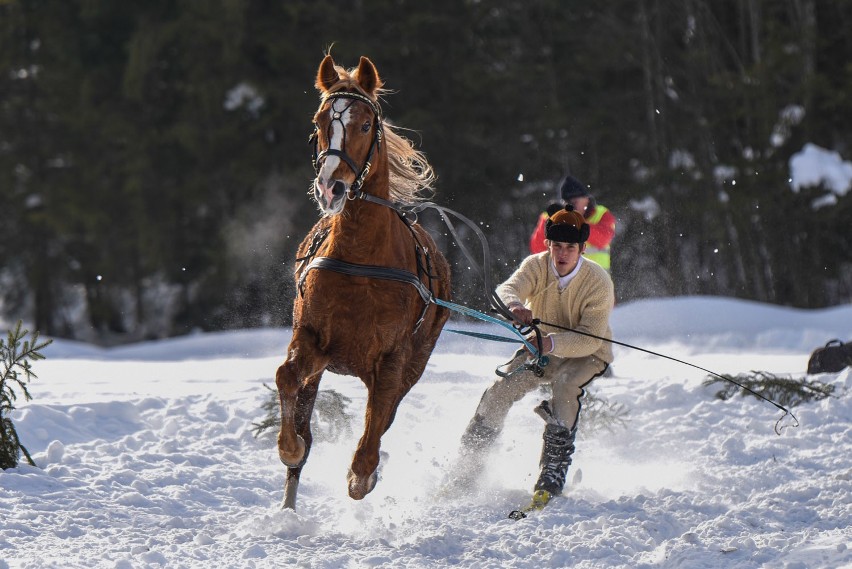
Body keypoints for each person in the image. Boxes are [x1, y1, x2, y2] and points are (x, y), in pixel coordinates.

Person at [457, 206, 615, 503]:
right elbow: (507, 289)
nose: (562, 254)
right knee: (500, 390)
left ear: (582, 248)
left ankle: (553, 472)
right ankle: (466, 467)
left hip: (588, 352)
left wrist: (551, 343)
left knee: (566, 386)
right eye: (557, 246)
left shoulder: (598, 281)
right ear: (548, 245)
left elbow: (589, 339)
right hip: (541, 349)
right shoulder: (536, 265)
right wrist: (514, 306)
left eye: (570, 247)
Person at [529, 175, 616, 272]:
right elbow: (537, 249)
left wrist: (576, 222)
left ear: (586, 199)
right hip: (563, 280)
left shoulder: (602, 214)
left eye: (575, 202)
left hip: (596, 279)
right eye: (567, 203)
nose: (572, 206)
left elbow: (603, 239)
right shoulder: (550, 217)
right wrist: (552, 221)